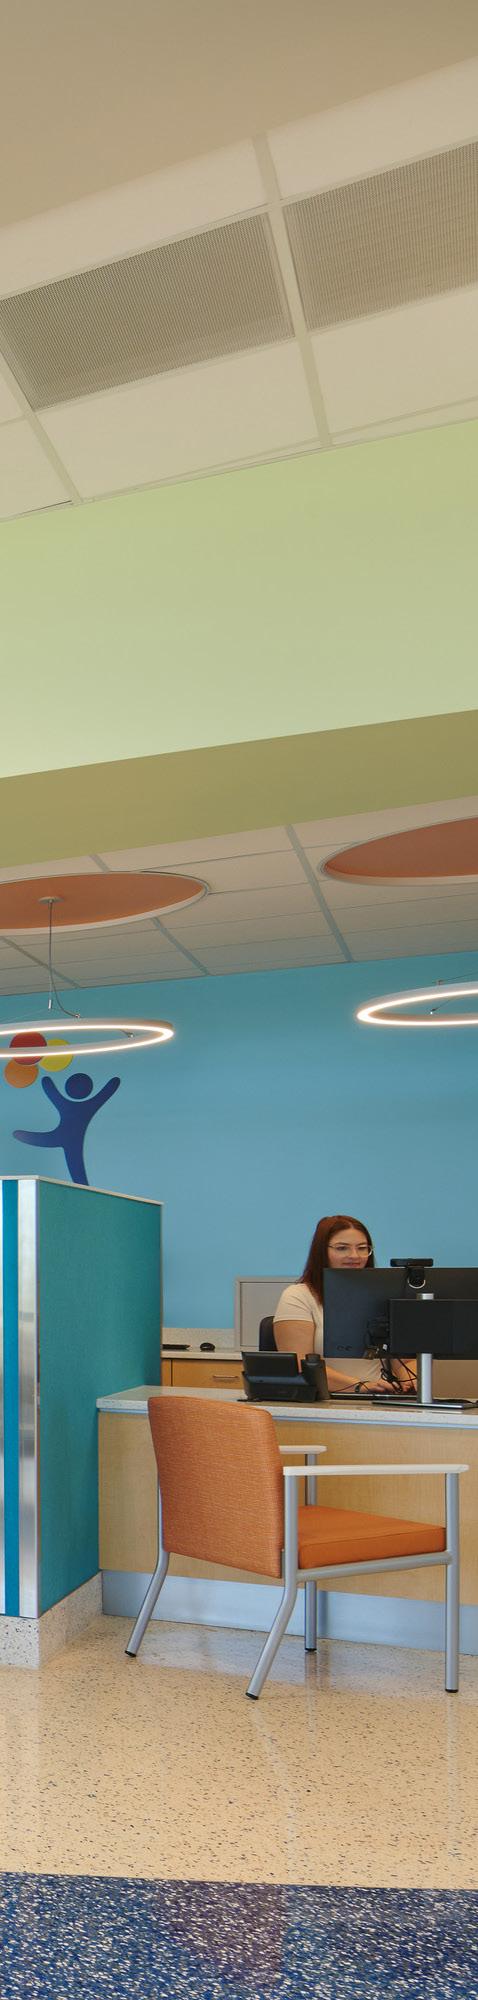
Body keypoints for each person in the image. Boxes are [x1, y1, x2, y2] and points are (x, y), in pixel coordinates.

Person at [274, 1214, 415, 1394]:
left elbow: (404, 1360)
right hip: (327, 1400)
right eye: (342, 1248)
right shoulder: (298, 1296)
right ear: (321, 1252)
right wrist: (360, 1386)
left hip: (383, 1397)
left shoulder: (384, 1295)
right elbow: (301, 1365)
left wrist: (411, 1381)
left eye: (362, 1248)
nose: (354, 1256)